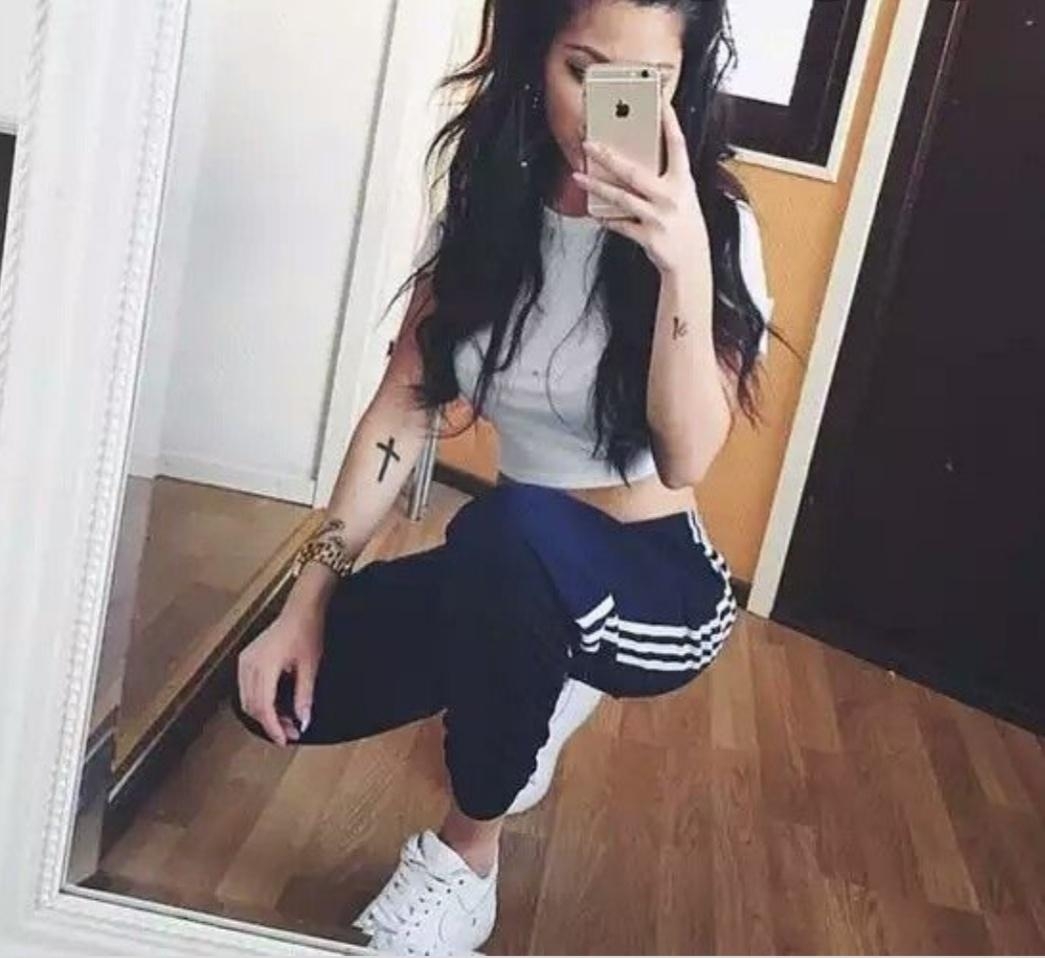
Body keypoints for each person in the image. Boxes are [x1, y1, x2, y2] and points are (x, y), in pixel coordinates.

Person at [229, 0, 782, 953]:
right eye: (584, 71)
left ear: (682, 83)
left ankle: (465, 860)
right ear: (533, 55)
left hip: (653, 580)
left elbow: (688, 455)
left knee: (505, 532)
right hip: (511, 562)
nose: (609, 107)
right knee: (272, 695)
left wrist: (682, 264)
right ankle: (532, 666)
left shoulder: (714, 226)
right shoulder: (488, 201)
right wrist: (306, 597)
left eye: (645, 81)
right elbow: (403, 408)